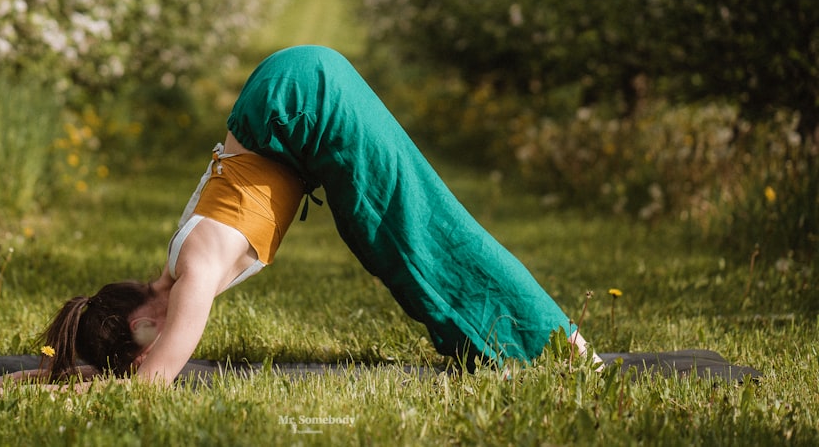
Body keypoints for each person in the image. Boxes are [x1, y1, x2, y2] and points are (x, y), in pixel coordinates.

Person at [41, 45, 597, 385]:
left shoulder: (196, 272)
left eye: (141, 349)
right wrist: (50, 369)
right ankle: (499, 347)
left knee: (422, 229)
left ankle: (560, 345)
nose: (160, 350)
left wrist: (62, 383)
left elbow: (154, 383)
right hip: (292, 96)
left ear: (142, 326)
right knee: (386, 236)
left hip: (302, 99)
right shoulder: (185, 261)